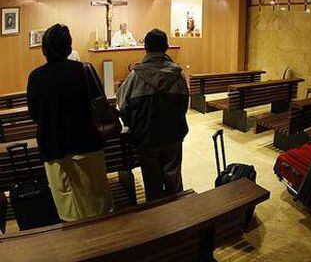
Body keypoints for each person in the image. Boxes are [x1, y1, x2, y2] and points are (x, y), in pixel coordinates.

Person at [27, 24, 113, 222]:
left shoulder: (36, 77)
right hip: (86, 142)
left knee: (67, 203)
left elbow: (34, 115)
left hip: (54, 146)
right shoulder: (82, 70)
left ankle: (76, 243)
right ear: (69, 47)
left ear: (44, 49)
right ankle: (102, 241)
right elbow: (99, 104)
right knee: (96, 198)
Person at [117, 28, 189, 201]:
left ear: (146, 48)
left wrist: (134, 125)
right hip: (173, 136)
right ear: (166, 47)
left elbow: (122, 106)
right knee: (174, 178)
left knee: (152, 181)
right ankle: (179, 216)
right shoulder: (178, 75)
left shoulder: (135, 76)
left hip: (146, 138)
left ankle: (156, 220)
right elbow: (184, 106)